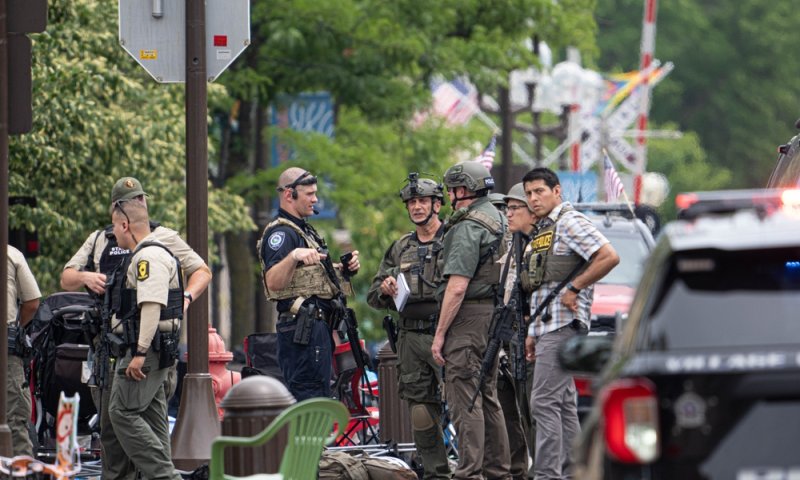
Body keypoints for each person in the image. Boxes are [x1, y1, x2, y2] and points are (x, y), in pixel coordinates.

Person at [60, 176, 211, 480]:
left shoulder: (161, 240)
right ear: (117, 210)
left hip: (145, 343)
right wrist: (88, 277)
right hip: (108, 345)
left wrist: (184, 298)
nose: (142, 202)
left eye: (142, 197)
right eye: (134, 199)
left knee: (130, 416)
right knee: (114, 432)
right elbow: (67, 278)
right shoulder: (102, 239)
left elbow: (201, 271)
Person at [521, 168, 619, 480]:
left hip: (563, 324)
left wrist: (575, 288)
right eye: (529, 194)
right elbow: (542, 287)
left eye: (540, 191)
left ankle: (548, 475)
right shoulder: (545, 228)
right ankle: (574, 472)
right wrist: (532, 333)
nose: (534, 199)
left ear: (557, 191)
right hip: (548, 325)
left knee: (543, 402)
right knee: (562, 402)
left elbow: (608, 256)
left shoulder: (570, 221)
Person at [367, 174, 451, 480]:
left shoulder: (453, 239)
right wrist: (386, 289)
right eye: (411, 202)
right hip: (411, 336)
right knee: (420, 411)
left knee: (467, 405)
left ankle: (473, 470)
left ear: (437, 205)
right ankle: (435, 473)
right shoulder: (400, 247)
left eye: (423, 201)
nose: (416, 207)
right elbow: (373, 296)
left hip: (449, 334)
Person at [431, 161, 511, 480]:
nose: (450, 196)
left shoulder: (468, 225)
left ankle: (469, 473)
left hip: (469, 318)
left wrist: (440, 334)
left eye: (452, 190)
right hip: (493, 316)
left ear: (462, 189)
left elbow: (458, 285)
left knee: (466, 398)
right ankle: (498, 472)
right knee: (488, 397)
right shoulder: (499, 218)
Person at [257, 167, 360, 401]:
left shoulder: (305, 231)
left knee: (320, 395)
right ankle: (310, 440)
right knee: (310, 398)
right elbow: (273, 281)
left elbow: (311, 279)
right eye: (309, 194)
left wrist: (344, 269)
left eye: (315, 193)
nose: (315, 199)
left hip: (317, 330)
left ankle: (317, 439)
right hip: (302, 332)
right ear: (288, 194)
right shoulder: (282, 233)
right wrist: (293, 256)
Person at [106, 199, 182, 480]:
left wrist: (139, 351)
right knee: (152, 415)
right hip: (157, 349)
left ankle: (166, 477)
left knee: (121, 412)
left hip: (146, 350)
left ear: (125, 224)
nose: (113, 233)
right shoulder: (153, 253)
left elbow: (151, 305)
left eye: (114, 226)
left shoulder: (147, 257)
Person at [493, 182, 538, 480]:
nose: (508, 215)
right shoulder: (512, 245)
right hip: (507, 339)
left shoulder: (540, 245)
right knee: (513, 415)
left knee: (533, 413)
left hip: (531, 339)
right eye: (506, 209)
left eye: (514, 208)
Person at [6, 244, 41, 456]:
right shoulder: (11, 253)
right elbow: (32, 303)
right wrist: (18, 327)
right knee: (15, 419)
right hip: (6, 348)